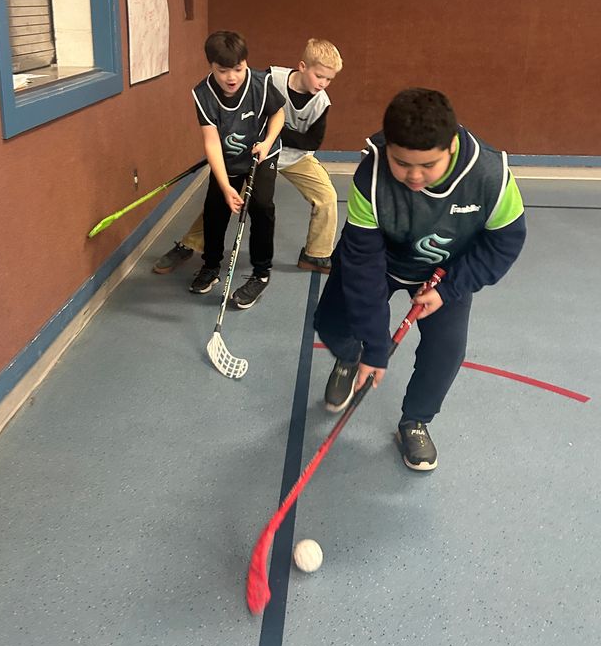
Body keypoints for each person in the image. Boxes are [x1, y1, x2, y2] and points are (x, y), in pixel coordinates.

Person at [314, 88, 526, 472]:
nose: (413, 176)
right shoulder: (371, 176)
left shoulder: (491, 176)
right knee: (331, 322)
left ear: (452, 146)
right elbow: (362, 265)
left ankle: (415, 421)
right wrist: (375, 348)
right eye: (402, 163)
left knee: (445, 352)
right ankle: (349, 357)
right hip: (381, 261)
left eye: (428, 165)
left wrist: (450, 289)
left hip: (445, 273)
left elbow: (505, 241)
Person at [153, 38, 343, 277]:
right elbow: (245, 106)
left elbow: (312, 141)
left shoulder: (322, 102)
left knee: (327, 196)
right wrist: (244, 137)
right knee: (226, 199)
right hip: (252, 153)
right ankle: (190, 244)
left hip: (292, 156)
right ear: (303, 66)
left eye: (329, 79)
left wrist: (266, 133)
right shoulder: (272, 78)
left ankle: (315, 254)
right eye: (320, 76)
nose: (323, 84)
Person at [176, 30, 285, 309]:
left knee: (260, 205)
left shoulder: (260, 83)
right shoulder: (203, 94)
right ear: (211, 66)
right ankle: (211, 266)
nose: (232, 77)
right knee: (215, 209)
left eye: (238, 68)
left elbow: (278, 114)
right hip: (227, 161)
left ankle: (261, 273)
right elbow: (211, 142)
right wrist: (225, 187)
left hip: (262, 155)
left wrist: (267, 142)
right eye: (223, 70)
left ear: (246, 63)